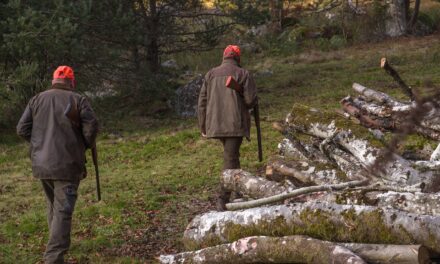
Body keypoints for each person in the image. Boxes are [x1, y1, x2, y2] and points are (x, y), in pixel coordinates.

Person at [17, 66, 98, 264]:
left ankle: (56, 244)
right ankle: (53, 257)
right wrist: (82, 146)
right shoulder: (79, 100)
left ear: (54, 80)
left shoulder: (36, 99)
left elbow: (22, 129)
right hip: (67, 165)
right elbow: (92, 126)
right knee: (63, 211)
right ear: (72, 81)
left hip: (42, 165)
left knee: (54, 206)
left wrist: (39, 145)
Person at [198, 45, 258, 211]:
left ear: (224, 56)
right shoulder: (243, 73)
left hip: (215, 124)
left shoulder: (210, 74)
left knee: (232, 155)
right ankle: (222, 199)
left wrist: (203, 125)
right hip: (233, 124)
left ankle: (238, 192)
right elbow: (250, 101)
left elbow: (202, 102)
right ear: (238, 58)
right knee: (230, 159)